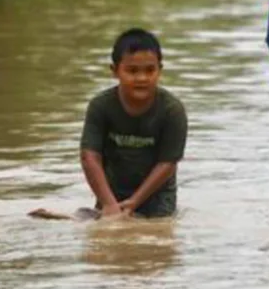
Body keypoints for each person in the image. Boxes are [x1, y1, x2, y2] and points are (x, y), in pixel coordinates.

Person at [79, 28, 188, 218]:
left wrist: (134, 202)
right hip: (110, 196)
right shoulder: (100, 106)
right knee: (105, 230)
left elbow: (167, 164)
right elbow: (89, 157)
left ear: (160, 70)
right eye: (132, 71)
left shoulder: (172, 110)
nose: (142, 78)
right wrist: (109, 203)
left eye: (150, 70)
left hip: (158, 200)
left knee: (149, 233)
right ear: (115, 71)